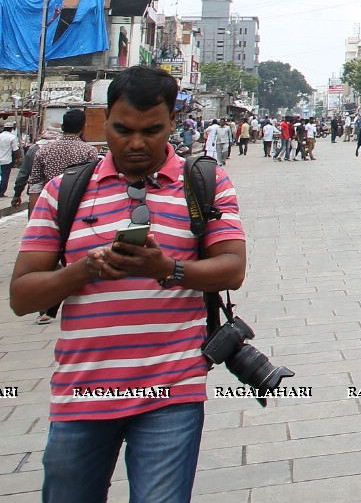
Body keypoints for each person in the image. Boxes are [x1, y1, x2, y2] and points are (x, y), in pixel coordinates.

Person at [8, 67, 247, 503]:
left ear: (173, 122)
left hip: (171, 392)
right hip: (82, 393)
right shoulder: (65, 192)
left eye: (151, 130)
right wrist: (84, 270)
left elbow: (232, 268)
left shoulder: (205, 183)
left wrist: (166, 267)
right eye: (122, 130)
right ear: (106, 123)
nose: (136, 143)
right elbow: (22, 297)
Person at [0, 119, 18, 199]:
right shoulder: (12, 137)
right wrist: (18, 159)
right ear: (11, 129)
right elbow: (15, 150)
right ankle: (1, 192)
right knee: (5, 176)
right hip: (7, 161)